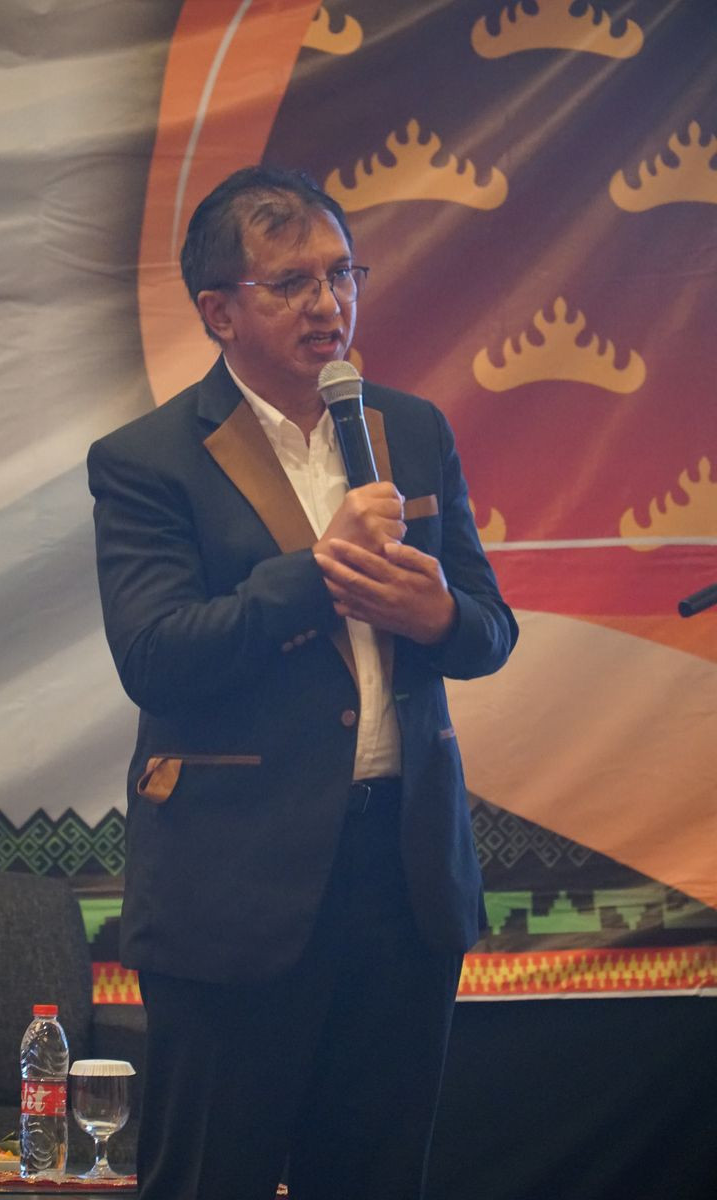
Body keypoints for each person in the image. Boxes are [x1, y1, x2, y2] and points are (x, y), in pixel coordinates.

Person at [87, 165, 518, 1200]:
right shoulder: (148, 460)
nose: (328, 305)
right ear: (219, 312)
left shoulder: (411, 428)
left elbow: (488, 629)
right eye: (291, 283)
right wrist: (320, 573)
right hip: (235, 889)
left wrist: (438, 617)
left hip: (401, 876)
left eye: (341, 274)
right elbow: (157, 654)